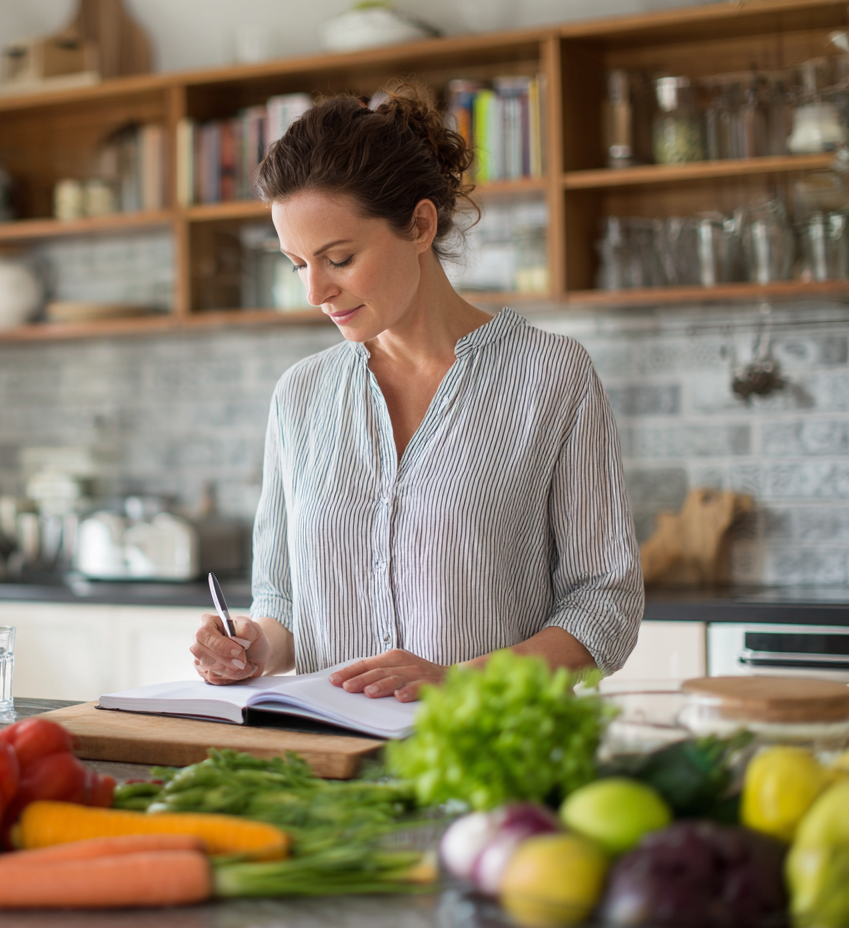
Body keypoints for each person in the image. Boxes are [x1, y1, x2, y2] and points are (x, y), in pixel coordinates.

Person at [190, 80, 643, 703]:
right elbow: (284, 600)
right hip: (330, 761)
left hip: (489, 757)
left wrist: (457, 682)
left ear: (421, 224)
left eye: (339, 258)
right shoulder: (300, 396)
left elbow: (604, 605)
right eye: (298, 264)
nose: (313, 292)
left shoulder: (551, 376)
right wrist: (254, 646)